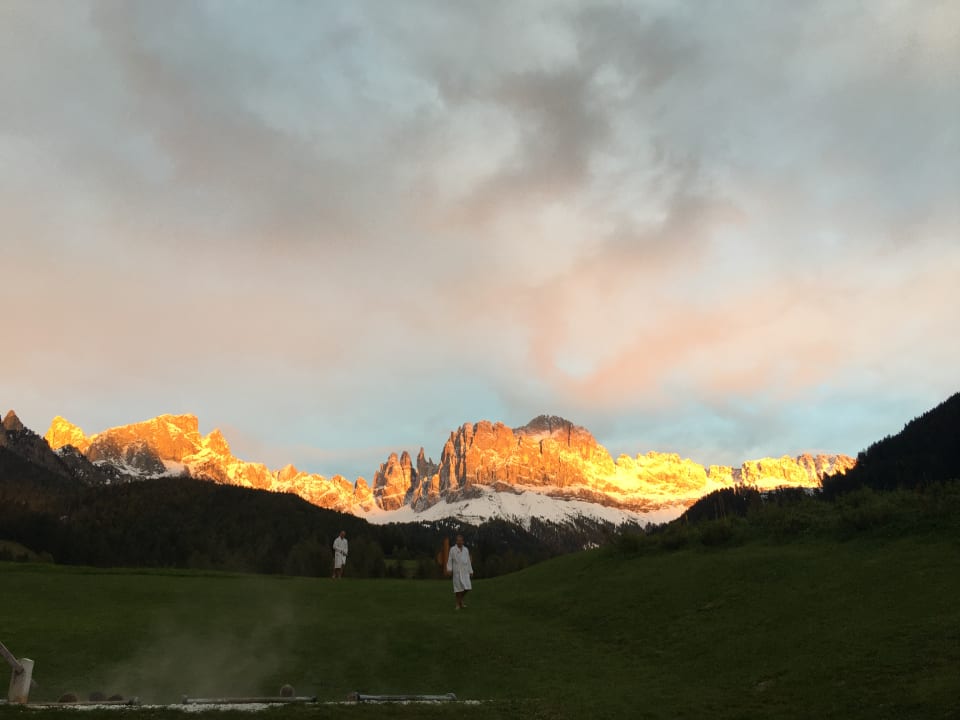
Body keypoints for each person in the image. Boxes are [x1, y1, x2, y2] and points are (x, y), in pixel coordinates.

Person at [445, 534, 473, 609]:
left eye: (461, 540)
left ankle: (460, 601)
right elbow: (450, 560)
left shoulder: (466, 550)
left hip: (465, 571)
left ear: (463, 541)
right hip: (457, 572)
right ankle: (458, 604)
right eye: (458, 540)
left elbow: (468, 561)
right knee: (458, 589)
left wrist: (471, 571)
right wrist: (449, 569)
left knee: (467, 588)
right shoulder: (452, 549)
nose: (459, 542)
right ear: (456, 541)